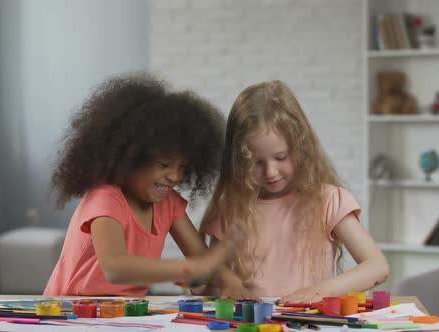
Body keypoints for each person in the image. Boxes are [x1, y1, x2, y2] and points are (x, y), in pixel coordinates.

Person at [200, 80, 389, 303]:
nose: (270, 172)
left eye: (281, 157)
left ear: (301, 148)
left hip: (307, 323)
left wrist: (320, 292)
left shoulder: (328, 200)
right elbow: (215, 276)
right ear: (238, 161)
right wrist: (214, 283)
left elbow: (377, 267)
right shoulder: (231, 207)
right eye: (256, 162)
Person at [44, 72, 229, 296]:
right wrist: (187, 269)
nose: (175, 176)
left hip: (124, 316)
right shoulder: (105, 199)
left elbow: (202, 259)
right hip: (69, 316)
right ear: (130, 158)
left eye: (182, 167)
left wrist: (222, 282)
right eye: (164, 164)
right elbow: (115, 268)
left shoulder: (167, 203)